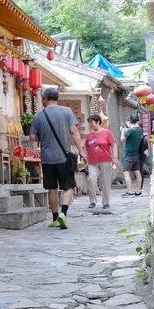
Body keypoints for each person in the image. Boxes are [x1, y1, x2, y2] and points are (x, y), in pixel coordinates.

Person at [30, 87, 87, 229]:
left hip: (47, 158)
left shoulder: (38, 116)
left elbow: (32, 137)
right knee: (68, 187)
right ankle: (63, 213)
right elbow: (74, 132)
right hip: (64, 157)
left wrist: (43, 136)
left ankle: (55, 219)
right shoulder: (67, 112)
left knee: (52, 188)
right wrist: (81, 150)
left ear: (44, 99)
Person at [84, 113, 117, 209]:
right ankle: (92, 201)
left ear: (98, 122)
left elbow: (114, 145)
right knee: (91, 180)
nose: (90, 125)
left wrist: (114, 158)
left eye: (92, 122)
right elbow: (87, 147)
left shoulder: (107, 132)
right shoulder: (89, 135)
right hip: (92, 161)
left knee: (105, 181)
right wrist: (86, 160)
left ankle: (105, 202)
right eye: (89, 123)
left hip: (105, 160)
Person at [120, 114, 144, 196]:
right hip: (137, 154)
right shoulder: (140, 130)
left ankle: (130, 191)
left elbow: (122, 139)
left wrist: (123, 131)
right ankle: (139, 190)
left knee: (126, 172)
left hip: (129, 154)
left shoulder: (130, 130)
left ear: (128, 122)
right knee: (137, 172)